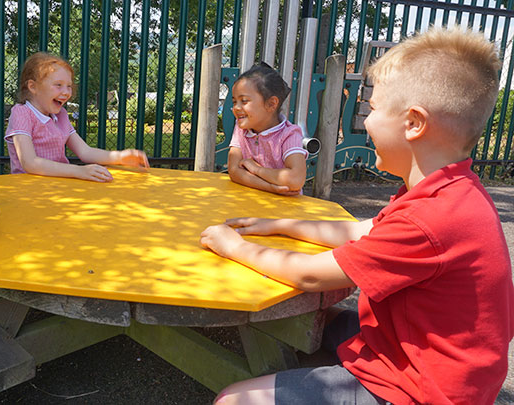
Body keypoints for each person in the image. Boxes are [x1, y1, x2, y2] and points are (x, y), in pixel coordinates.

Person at [201, 27, 514, 404]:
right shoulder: (449, 191)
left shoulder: (431, 218)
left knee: (231, 399)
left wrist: (232, 245)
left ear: (414, 123)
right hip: (413, 351)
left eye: (373, 108)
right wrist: (279, 224)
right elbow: (360, 230)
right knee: (309, 321)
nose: (365, 120)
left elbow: (309, 274)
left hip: (420, 390)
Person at [6, 52, 149, 182]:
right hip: (27, 189)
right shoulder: (22, 113)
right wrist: (79, 171)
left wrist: (119, 157)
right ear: (33, 87)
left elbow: (85, 151)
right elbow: (30, 163)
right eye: (58, 85)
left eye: (69, 86)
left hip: (58, 186)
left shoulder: (60, 116)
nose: (66, 92)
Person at [227, 62, 307, 196]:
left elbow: (295, 179)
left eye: (244, 101)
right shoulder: (241, 129)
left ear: (271, 104)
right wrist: (271, 187)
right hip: (252, 202)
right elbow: (234, 171)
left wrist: (256, 169)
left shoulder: (289, 134)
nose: (236, 107)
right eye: (235, 101)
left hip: (285, 208)